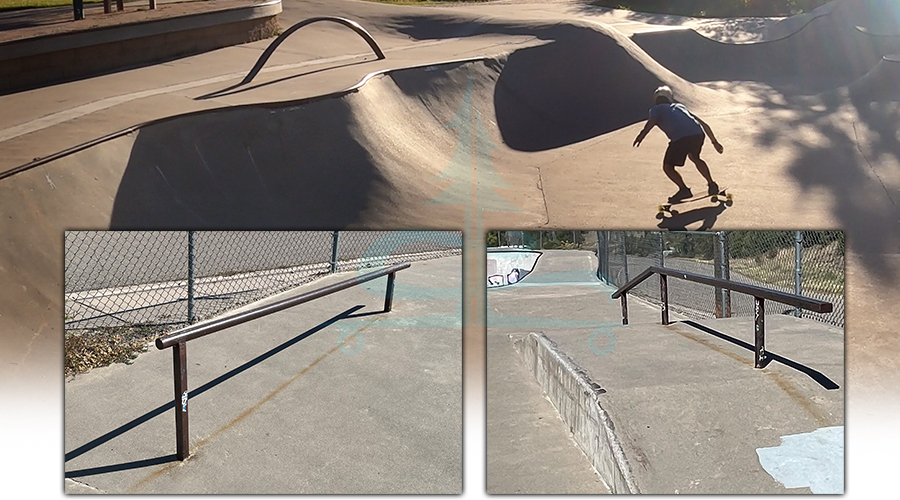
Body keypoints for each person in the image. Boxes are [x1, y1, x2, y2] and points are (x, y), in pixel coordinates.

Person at [633, 86, 724, 202]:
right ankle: (712, 184)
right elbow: (703, 124)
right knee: (695, 158)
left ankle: (684, 190)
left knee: (668, 167)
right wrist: (714, 142)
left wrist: (641, 135)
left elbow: (652, 121)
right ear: (670, 98)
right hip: (698, 134)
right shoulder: (680, 106)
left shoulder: (655, 110)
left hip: (680, 138)